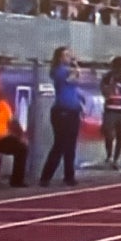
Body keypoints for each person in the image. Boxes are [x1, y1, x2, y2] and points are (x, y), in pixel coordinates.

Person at [38, 46, 82, 187]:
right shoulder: (59, 71)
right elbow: (71, 77)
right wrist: (75, 65)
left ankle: (69, 176)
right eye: (66, 55)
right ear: (60, 57)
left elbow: (77, 78)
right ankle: (46, 176)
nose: (69, 57)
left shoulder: (68, 69)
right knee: (60, 144)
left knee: (71, 145)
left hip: (73, 110)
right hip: (62, 111)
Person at [99, 55, 121, 170]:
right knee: (109, 134)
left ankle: (116, 159)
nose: (120, 69)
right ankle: (109, 155)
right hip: (110, 109)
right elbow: (104, 91)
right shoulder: (108, 77)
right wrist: (111, 85)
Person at [0, 97, 28, 187]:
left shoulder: (4, 104)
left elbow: (13, 122)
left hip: (2, 138)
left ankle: (17, 180)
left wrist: (21, 136)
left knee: (22, 148)